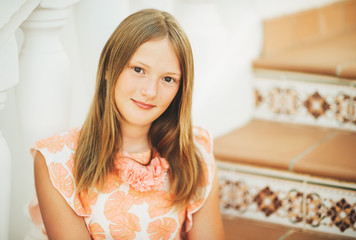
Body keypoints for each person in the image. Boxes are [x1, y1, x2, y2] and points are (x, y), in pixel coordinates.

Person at [30, 8, 225, 240]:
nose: (150, 92)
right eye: (138, 70)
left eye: (168, 79)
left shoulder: (195, 152)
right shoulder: (56, 161)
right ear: (109, 67)